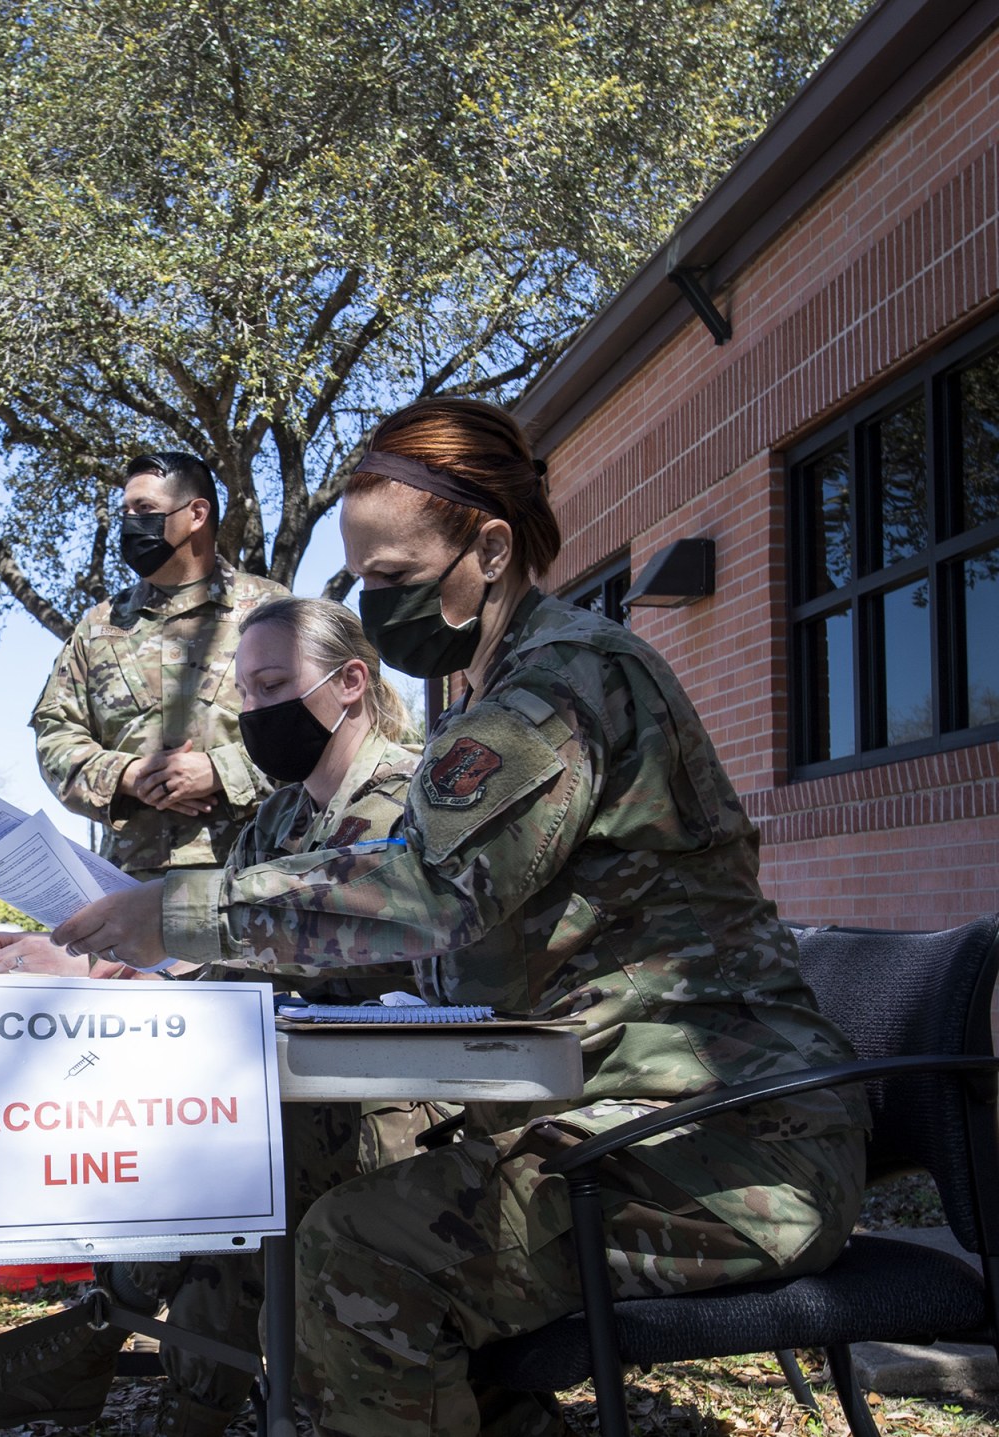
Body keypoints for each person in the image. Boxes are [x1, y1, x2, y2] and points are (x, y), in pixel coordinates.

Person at [45, 397, 868, 1437]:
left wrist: (173, 913)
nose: (376, 607)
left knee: (362, 1252)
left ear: (488, 546)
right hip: (624, 1125)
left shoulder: (561, 686)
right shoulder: (501, 692)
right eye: (363, 581)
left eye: (391, 579)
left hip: (721, 1149)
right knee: (322, 1175)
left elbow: (424, 899)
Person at [0, 599, 442, 1437]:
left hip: (389, 1101)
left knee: (229, 1163)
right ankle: (159, 1384)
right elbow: (230, 960)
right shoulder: (282, 813)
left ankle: (113, 1340)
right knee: (199, 1142)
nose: (254, 713)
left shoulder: (413, 793)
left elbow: (337, 943)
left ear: (350, 682)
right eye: (244, 695)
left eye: (273, 686)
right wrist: (89, 965)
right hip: (287, 1092)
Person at [32, 452, 290, 882]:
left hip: (255, 882)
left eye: (146, 510)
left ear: (196, 514)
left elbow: (319, 726)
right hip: (132, 888)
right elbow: (54, 733)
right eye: (126, 512)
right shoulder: (100, 626)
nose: (132, 523)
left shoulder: (271, 610)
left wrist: (221, 771)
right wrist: (129, 776)